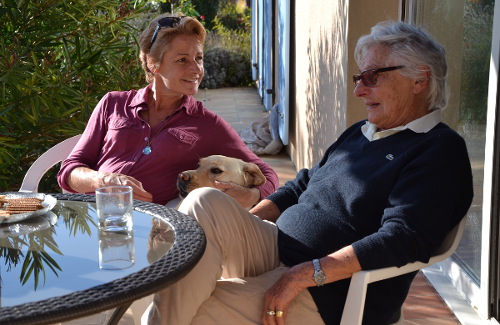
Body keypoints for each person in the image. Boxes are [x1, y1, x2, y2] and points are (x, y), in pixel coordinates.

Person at [145, 21, 474, 325]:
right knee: (204, 202)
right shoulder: (363, 131)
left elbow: (403, 238)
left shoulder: (439, 150)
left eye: (374, 77)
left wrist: (307, 273)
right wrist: (245, 223)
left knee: (190, 310)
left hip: (330, 290)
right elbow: (301, 185)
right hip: (277, 248)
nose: (360, 91)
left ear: (420, 79)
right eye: (360, 78)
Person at [57, 14, 279, 207]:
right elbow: (69, 171)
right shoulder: (113, 103)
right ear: (153, 63)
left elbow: (267, 175)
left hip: (146, 226)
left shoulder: (208, 125)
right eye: (182, 60)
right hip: (87, 214)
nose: (196, 69)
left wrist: (251, 196)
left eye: (199, 58)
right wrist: (104, 180)